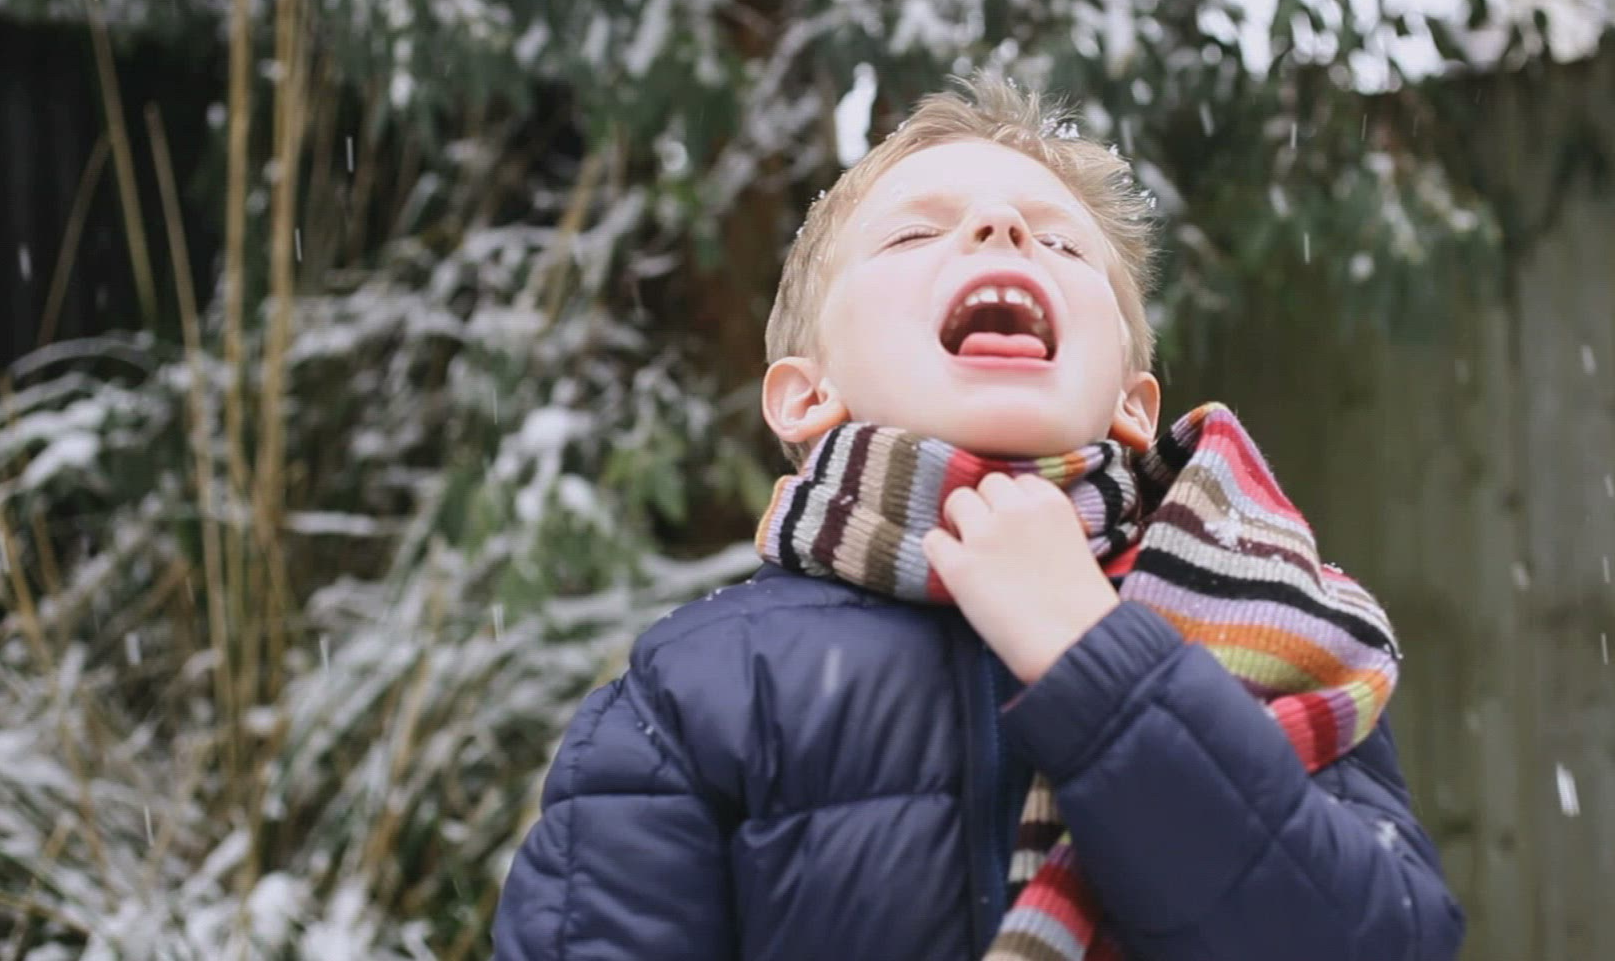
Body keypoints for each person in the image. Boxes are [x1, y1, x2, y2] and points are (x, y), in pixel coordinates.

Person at [492, 75, 1465, 961]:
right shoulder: (694, 688)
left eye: (1061, 242)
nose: (1001, 227)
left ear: (1133, 405)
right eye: (915, 235)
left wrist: (1102, 661)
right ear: (804, 396)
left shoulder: (1270, 631)